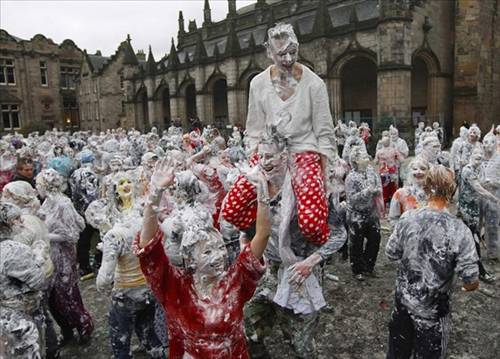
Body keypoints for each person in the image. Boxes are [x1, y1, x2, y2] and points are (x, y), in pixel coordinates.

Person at [134, 156, 271, 358]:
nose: (218, 256)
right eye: (207, 251)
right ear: (189, 259)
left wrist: (262, 191)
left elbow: (262, 235)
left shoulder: (235, 281)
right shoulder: (173, 287)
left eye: (219, 247)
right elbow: (148, 248)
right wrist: (155, 193)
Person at [237, 22, 336, 246]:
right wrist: (254, 161)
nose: (289, 59)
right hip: (269, 153)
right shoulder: (258, 84)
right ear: (269, 52)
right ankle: (267, 238)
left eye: (293, 52)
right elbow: (253, 129)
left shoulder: (314, 84)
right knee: (233, 207)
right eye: (282, 54)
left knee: (312, 224)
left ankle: (315, 250)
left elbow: (324, 132)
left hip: (303, 151)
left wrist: (324, 177)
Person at [386, 165, 479, 359]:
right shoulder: (459, 230)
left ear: (427, 188)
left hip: (402, 307)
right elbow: (470, 281)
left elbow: (391, 253)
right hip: (433, 316)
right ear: (452, 192)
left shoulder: (407, 218)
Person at [36, 168, 94, 345]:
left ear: (46, 185)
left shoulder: (63, 204)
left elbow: (73, 234)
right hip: (50, 255)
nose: (36, 188)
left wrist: (45, 235)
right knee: (53, 298)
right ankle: (66, 330)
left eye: (38, 184)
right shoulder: (46, 202)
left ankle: (84, 327)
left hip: (64, 256)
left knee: (68, 294)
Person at [0, 202, 46, 359]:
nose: (22, 222)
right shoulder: (13, 250)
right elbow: (39, 281)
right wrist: (39, 259)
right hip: (18, 321)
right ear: (7, 223)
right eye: (18, 218)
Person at [458, 149, 500, 283]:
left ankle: (466, 264)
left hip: (474, 207)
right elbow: (478, 188)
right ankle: (480, 270)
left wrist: (490, 182)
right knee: (473, 236)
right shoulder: (468, 170)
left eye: (481, 158)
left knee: (470, 235)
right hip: (467, 209)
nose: (479, 160)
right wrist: (495, 199)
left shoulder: (478, 168)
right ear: (471, 156)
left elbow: (482, 181)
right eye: (476, 158)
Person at [345, 146, 383, 281]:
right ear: (355, 160)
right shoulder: (351, 177)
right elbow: (351, 198)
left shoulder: (372, 171)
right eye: (364, 157)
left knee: (375, 239)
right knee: (356, 242)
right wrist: (367, 192)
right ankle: (357, 270)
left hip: (371, 213)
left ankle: (368, 267)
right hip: (356, 214)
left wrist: (377, 191)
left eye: (367, 157)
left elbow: (378, 186)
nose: (368, 159)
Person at [388, 156, 429, 224]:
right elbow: (393, 219)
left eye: (423, 169)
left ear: (428, 172)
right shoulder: (400, 194)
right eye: (415, 169)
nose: (418, 172)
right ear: (410, 172)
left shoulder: (434, 193)